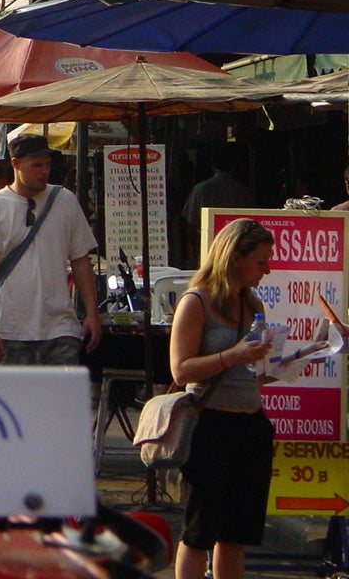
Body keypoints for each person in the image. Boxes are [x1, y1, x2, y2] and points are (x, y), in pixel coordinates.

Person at [170, 218, 275, 579]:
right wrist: (234, 355)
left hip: (251, 425)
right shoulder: (196, 301)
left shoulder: (253, 303)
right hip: (210, 425)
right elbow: (180, 370)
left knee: (237, 533)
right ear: (234, 258)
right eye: (260, 262)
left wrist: (302, 357)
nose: (267, 269)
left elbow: (254, 371)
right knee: (199, 531)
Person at [0, 133, 101, 366]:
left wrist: (92, 313)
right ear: (16, 164)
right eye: (36, 165)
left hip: (60, 328)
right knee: (15, 401)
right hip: (10, 329)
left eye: (47, 164)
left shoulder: (64, 201)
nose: (44, 171)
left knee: (60, 400)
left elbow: (80, 260)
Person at [182, 144, 254, 262]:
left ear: (213, 167)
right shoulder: (241, 191)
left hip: (208, 247)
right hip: (236, 248)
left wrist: (195, 250)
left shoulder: (200, 189)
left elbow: (190, 224)